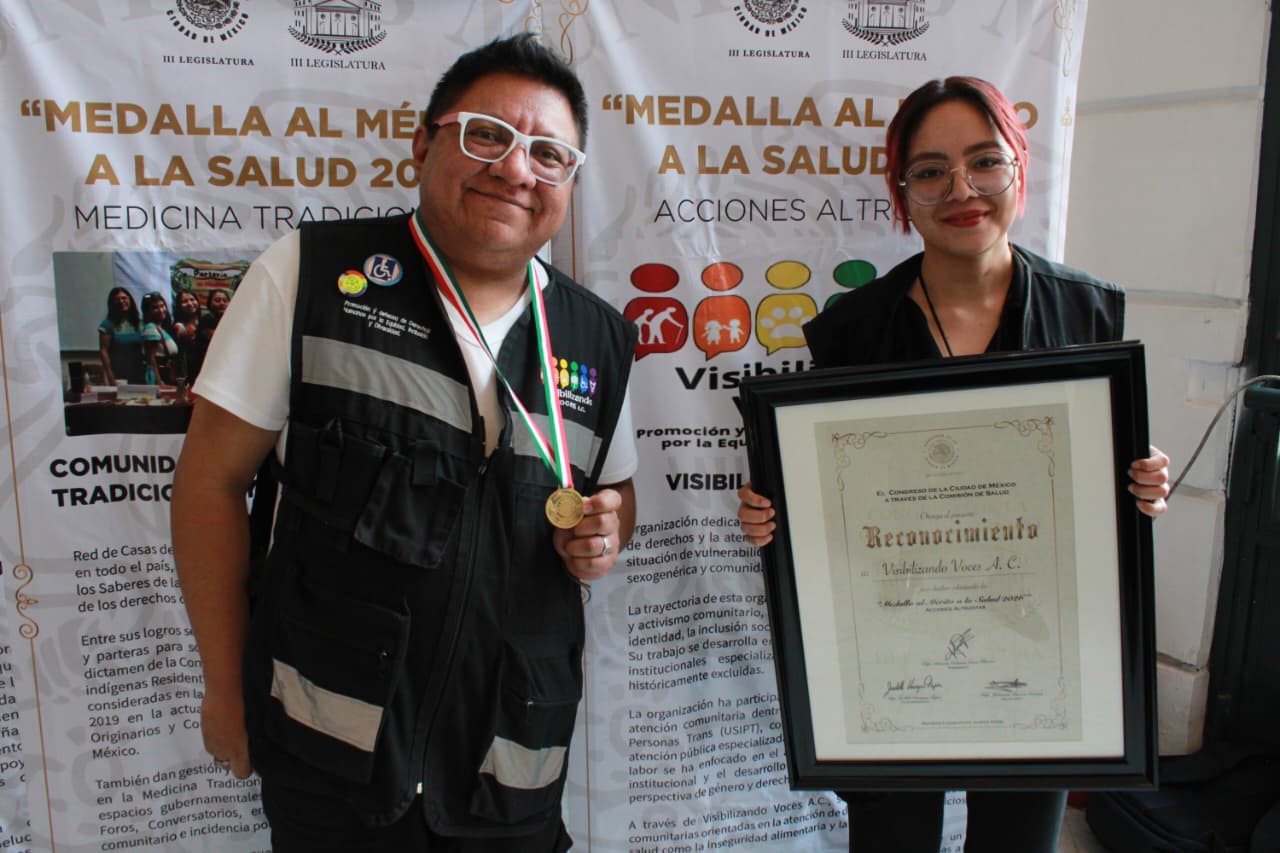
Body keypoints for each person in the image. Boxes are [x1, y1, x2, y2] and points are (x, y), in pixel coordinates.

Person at [171, 34, 638, 853]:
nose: (515, 168)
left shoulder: (597, 336)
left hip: (510, 767)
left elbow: (614, 492)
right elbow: (210, 482)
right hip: (332, 765)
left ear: (569, 181)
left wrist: (605, 533)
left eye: (549, 154)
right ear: (424, 143)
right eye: (486, 135)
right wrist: (223, 685)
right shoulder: (311, 274)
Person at [736, 76, 1171, 853]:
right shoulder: (851, 329)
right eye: (931, 171)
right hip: (893, 650)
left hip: (1038, 650)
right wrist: (779, 513)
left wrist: (1139, 484)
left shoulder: (1087, 311)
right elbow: (829, 491)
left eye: (984, 161)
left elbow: (1095, 477)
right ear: (902, 192)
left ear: (1019, 168)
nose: (962, 189)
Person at [97, 285, 146, 385]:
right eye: (117, 299)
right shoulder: (107, 324)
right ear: (112, 303)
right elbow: (103, 351)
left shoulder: (139, 323)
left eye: (124, 298)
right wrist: (111, 378)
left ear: (130, 300)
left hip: (139, 372)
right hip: (119, 373)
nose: (121, 301)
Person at [139, 292, 179, 385]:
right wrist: (159, 382)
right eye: (155, 308)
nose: (161, 310)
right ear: (148, 311)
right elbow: (151, 358)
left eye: (162, 306)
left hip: (167, 374)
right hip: (160, 375)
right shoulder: (150, 328)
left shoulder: (161, 328)